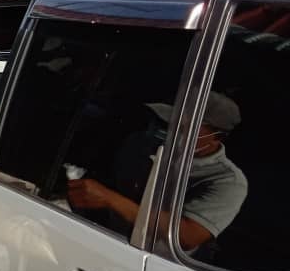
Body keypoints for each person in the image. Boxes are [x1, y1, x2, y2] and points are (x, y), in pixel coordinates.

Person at [67, 92, 248, 252]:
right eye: (173, 120)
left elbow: (185, 236)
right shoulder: (141, 145)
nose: (174, 129)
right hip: (104, 237)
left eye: (187, 126)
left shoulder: (227, 181)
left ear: (217, 136)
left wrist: (110, 199)